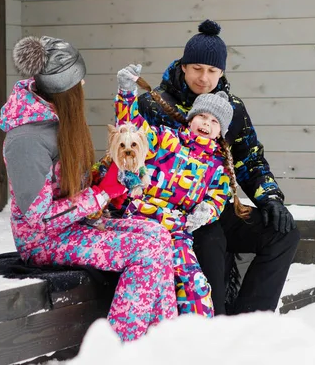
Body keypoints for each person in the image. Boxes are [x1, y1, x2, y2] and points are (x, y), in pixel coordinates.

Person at [0, 36, 177, 341]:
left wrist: (102, 176)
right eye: (77, 83)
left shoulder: (57, 121)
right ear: (63, 89)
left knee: (157, 233)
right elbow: (39, 220)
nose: (83, 88)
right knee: (144, 251)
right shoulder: (26, 140)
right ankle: (119, 350)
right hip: (44, 242)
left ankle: (161, 344)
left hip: (76, 226)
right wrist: (102, 193)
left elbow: (68, 186)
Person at [136, 20, 301, 315]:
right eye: (197, 68)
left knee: (283, 232)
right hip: (171, 213)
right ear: (184, 66)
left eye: (212, 71)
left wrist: (271, 199)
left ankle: (250, 319)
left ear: (222, 71)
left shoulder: (232, 109)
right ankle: (215, 323)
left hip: (216, 203)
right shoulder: (153, 104)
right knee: (210, 239)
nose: (204, 77)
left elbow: (249, 159)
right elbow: (130, 155)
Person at [103, 63, 252, 317]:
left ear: (220, 133)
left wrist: (207, 210)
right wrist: (127, 92)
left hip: (178, 231)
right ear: (192, 118)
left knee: (195, 286)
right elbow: (131, 131)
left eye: (214, 122)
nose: (206, 123)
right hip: (143, 221)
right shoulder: (165, 138)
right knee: (158, 281)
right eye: (202, 117)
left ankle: (195, 341)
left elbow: (217, 197)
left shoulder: (217, 166)